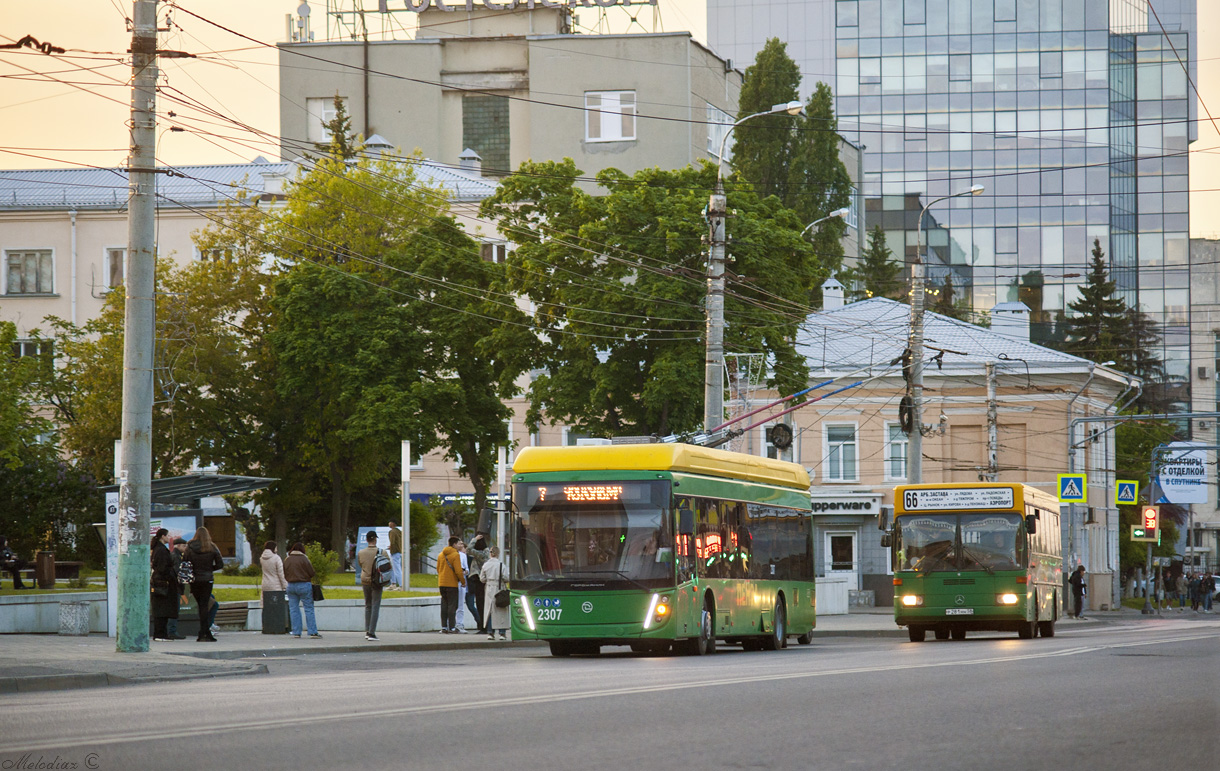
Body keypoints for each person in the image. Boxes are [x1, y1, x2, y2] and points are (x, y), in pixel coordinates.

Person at [185, 526, 224, 641]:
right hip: (207, 579)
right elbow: (220, 564)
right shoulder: (211, 547)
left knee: (200, 605)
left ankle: (203, 632)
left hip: (195, 580)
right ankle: (205, 632)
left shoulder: (190, 547)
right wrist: (209, 569)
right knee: (205, 604)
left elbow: (185, 562)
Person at [284, 541, 322, 639]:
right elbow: (311, 572)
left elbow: (284, 572)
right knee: (308, 609)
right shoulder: (304, 559)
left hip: (291, 586)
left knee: (293, 609)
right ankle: (313, 632)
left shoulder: (287, 559)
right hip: (304, 585)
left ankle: (296, 632)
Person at [150, 529, 179, 641]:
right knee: (163, 610)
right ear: (163, 536)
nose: (169, 538)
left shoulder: (157, 549)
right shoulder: (161, 550)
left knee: (161, 609)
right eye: (168, 536)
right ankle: (160, 634)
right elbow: (162, 568)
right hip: (163, 584)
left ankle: (161, 634)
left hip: (159, 583)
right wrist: (171, 575)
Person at [357, 530, 385, 641]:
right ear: (375, 539)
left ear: (367, 540)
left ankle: (367, 630)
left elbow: (360, 564)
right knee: (375, 606)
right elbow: (387, 566)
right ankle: (372, 632)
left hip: (365, 581)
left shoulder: (361, 553)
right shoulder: (382, 552)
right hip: (377, 581)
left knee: (368, 605)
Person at [436, 535, 465, 633]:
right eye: (458, 543)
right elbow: (458, 571)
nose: (459, 546)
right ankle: (452, 627)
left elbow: (438, 569)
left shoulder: (441, 555)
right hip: (452, 584)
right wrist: (463, 582)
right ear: (454, 544)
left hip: (442, 583)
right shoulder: (455, 555)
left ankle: (444, 627)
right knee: (452, 605)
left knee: (444, 605)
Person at [480, 546, 509, 641]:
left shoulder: (485, 565)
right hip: (499, 588)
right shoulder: (501, 565)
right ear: (498, 554)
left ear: (490, 554)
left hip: (489, 587)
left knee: (489, 611)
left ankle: (490, 632)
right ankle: (502, 633)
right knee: (501, 610)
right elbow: (506, 578)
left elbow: (482, 579)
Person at [466, 532, 490, 634]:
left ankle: (484, 627)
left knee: (482, 605)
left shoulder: (483, 554)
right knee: (481, 604)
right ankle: (485, 626)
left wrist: (474, 539)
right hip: (482, 581)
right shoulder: (484, 552)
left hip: (480, 581)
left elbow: (468, 550)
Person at [166, 537, 190, 640]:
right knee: (174, 609)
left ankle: (171, 630)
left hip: (174, 586)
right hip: (175, 587)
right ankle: (172, 631)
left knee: (173, 609)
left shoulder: (176, 555)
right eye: (184, 546)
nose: (185, 548)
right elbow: (177, 572)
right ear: (178, 546)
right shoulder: (176, 556)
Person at [388, 520, 403, 591]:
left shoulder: (392, 532)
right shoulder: (399, 531)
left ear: (392, 523)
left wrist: (391, 547)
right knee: (394, 569)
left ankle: (401, 585)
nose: (389, 524)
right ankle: (393, 583)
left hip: (394, 552)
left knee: (397, 569)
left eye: (390, 522)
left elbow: (392, 542)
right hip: (399, 552)